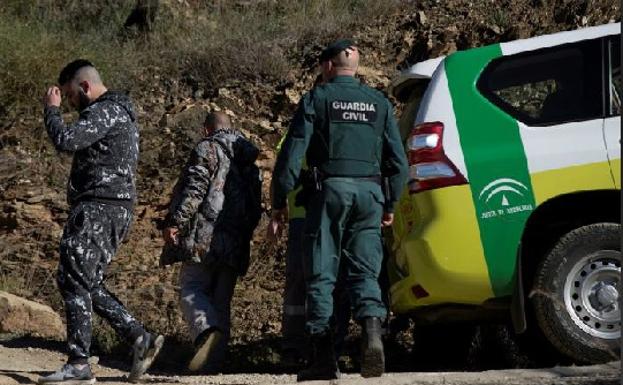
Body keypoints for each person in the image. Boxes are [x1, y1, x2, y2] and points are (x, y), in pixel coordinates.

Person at [269, 39, 408, 381]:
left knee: (321, 273)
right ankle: (372, 336)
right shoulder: (379, 103)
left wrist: (278, 202)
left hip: (330, 194)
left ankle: (323, 358)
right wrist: (390, 204)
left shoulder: (317, 98)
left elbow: (291, 155)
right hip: (370, 196)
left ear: (328, 66)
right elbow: (399, 164)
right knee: (364, 271)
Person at [39, 59, 163, 384]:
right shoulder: (117, 113)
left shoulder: (104, 111)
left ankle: (79, 364)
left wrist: (51, 110)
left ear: (84, 87)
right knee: (86, 281)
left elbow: (65, 140)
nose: (68, 102)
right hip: (110, 208)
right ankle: (139, 338)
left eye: (68, 96)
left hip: (99, 207)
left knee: (73, 278)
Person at [161, 112, 262, 373]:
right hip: (236, 240)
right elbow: (255, 207)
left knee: (192, 287)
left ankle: (206, 331)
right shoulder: (248, 159)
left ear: (207, 130)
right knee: (221, 301)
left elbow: (194, 190)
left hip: (205, 234)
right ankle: (213, 364)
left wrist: (176, 222)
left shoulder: (207, 149)